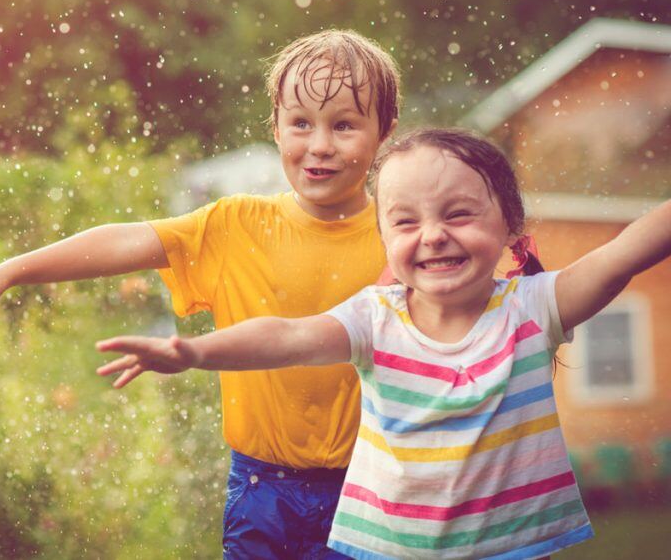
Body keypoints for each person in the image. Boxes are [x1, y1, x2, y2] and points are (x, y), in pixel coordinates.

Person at [97, 127, 671, 559]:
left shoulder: (534, 306)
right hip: (387, 550)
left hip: (510, 549)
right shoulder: (376, 319)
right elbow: (290, 335)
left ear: (510, 226)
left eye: (459, 214)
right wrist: (197, 352)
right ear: (383, 239)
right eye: (405, 222)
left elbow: (624, 252)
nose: (434, 235)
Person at [0, 29, 402, 558]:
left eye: (343, 125)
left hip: (372, 488)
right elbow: (128, 240)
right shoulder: (236, 225)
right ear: (274, 128)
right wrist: (13, 269)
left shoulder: (403, 238)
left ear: (384, 132)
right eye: (300, 123)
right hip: (261, 491)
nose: (319, 145)